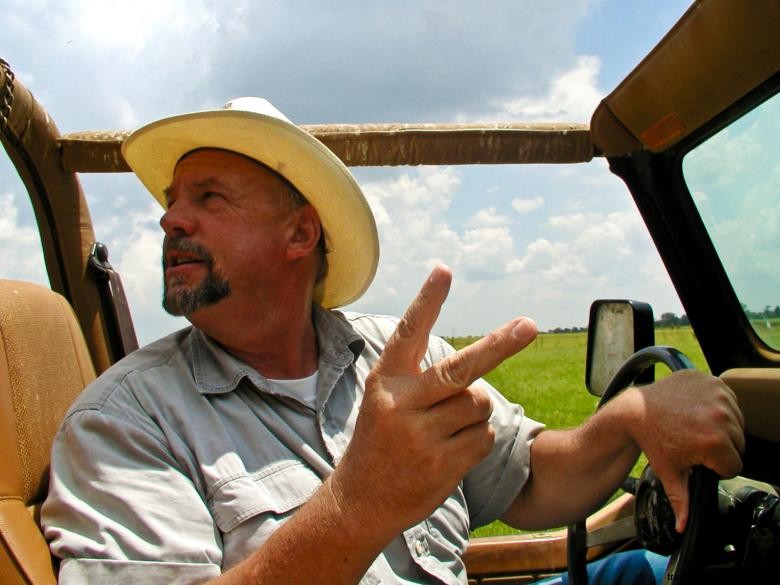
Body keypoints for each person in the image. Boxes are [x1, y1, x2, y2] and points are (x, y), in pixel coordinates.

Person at [41, 98, 745, 585]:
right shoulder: (123, 421)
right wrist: (361, 503)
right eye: (172, 201)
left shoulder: (392, 355)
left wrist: (628, 417)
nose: (170, 220)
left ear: (300, 234)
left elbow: (527, 476)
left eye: (208, 197)